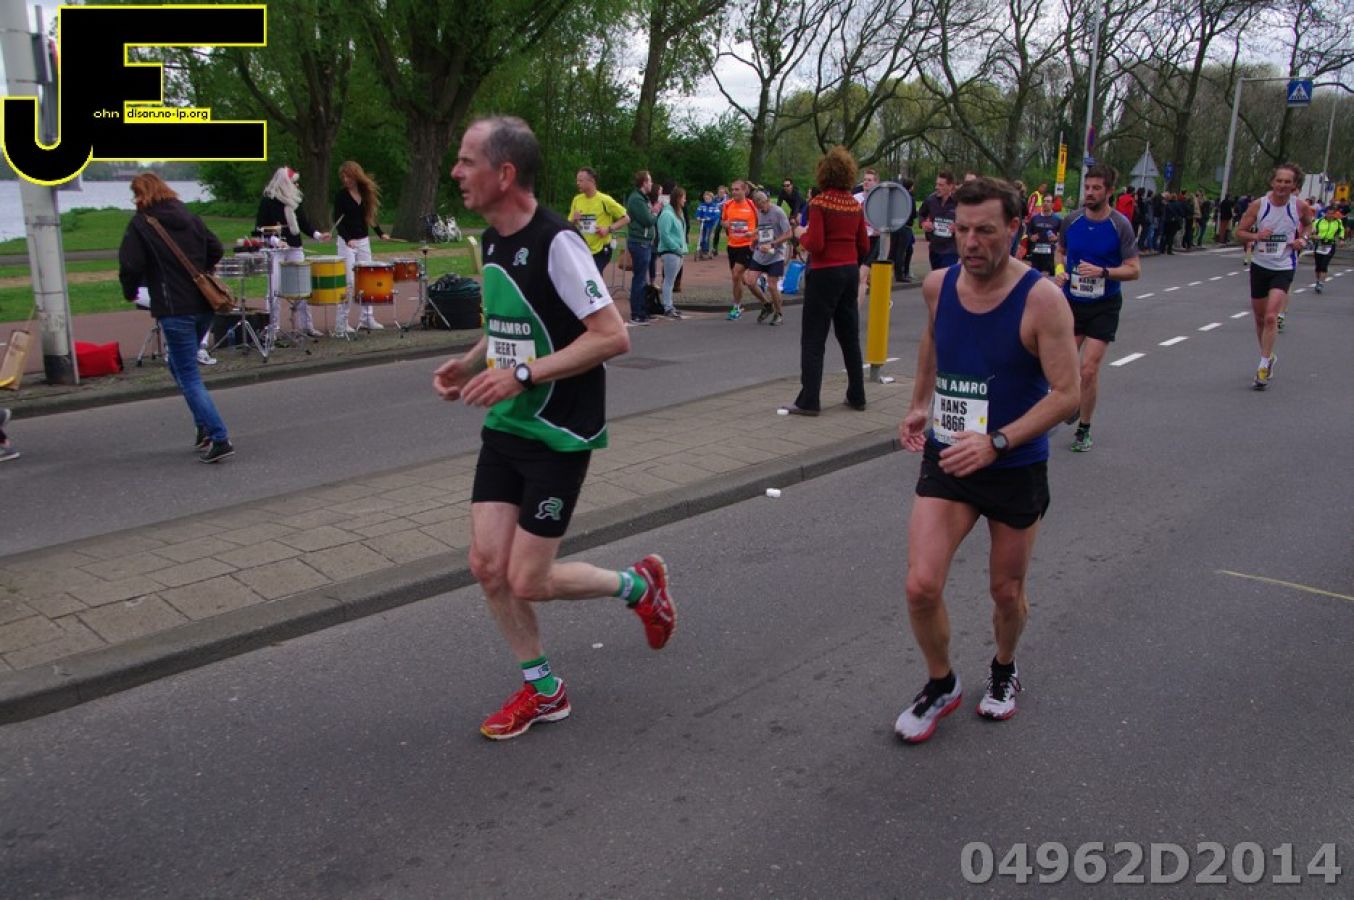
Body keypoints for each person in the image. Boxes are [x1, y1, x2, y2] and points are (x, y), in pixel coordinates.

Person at [434, 116, 675, 741]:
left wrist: (522, 375)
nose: (456, 172)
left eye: (467, 161)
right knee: (487, 565)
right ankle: (544, 691)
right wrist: (469, 364)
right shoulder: (492, 240)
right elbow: (510, 319)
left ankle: (637, 586)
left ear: (504, 173)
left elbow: (612, 336)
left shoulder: (558, 243)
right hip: (507, 427)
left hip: (559, 432)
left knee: (528, 579)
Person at [893, 177, 1079, 744]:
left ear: (1015, 229)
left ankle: (1003, 666)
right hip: (950, 454)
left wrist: (998, 441)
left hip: (1013, 466)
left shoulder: (1042, 299)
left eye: (986, 231)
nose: (970, 242)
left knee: (1006, 592)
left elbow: (1068, 395)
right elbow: (933, 342)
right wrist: (919, 404)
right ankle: (941, 683)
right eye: (962, 230)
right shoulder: (938, 285)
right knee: (921, 586)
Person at [119, 173, 234, 463]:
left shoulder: (141, 224)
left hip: (174, 306)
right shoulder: (190, 217)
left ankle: (218, 436)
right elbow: (216, 248)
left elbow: (130, 264)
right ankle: (203, 426)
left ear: (140, 195)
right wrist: (199, 269)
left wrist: (131, 290)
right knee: (178, 364)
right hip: (204, 303)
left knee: (188, 374)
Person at [1054, 163, 1141, 452]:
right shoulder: (1072, 220)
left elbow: (1134, 270)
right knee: (1063, 367)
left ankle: (1084, 429)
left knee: (1088, 369)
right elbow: (1060, 252)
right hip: (1071, 302)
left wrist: (1103, 272)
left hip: (1104, 305)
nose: (1089, 193)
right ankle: (1072, 403)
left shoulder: (1120, 225)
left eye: (1096, 188)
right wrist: (1060, 271)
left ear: (1109, 191)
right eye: (1087, 187)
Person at [781, 146, 869, 416]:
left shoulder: (820, 204)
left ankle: (809, 400)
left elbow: (816, 243)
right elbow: (864, 245)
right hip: (849, 271)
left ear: (824, 173)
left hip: (824, 273)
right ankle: (857, 395)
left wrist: (800, 233)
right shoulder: (854, 205)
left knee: (814, 338)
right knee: (849, 335)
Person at [1234, 163, 1314, 388]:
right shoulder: (1259, 205)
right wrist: (1257, 236)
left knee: (1271, 316)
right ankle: (1268, 357)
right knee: (1260, 318)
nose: (1282, 185)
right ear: (1272, 182)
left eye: (1287, 182)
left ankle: (1262, 367)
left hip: (1284, 265)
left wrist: (1302, 240)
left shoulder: (1299, 206)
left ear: (1294, 185)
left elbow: (1309, 227)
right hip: (1260, 265)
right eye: (1279, 181)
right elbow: (1239, 232)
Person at [255, 167, 329, 338]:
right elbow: (259, 229)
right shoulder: (268, 201)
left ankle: (307, 326)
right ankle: (273, 328)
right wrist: (276, 241)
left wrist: (318, 235)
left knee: (302, 288)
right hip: (275, 250)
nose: (297, 185)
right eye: (293, 182)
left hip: (294, 247)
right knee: (273, 289)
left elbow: (304, 223)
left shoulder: (295, 200)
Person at [333, 160, 392, 334]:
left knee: (368, 279)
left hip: (363, 240)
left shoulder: (365, 194)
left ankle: (367, 317)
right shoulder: (341, 196)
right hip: (346, 243)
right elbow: (337, 221)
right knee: (349, 282)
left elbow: (370, 217)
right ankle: (341, 322)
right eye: (343, 177)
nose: (346, 180)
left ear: (356, 176)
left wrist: (380, 233)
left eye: (349, 176)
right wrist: (348, 239)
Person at [569, 167, 630, 274]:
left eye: (581, 180)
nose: (577, 183)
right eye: (577, 180)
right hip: (583, 248)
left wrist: (608, 229)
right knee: (584, 278)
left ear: (592, 181)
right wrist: (574, 220)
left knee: (593, 276)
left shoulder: (604, 200)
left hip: (601, 249)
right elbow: (569, 224)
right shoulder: (577, 199)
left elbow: (626, 219)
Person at [745, 189, 793, 325]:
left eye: (762, 206)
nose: (762, 210)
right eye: (758, 208)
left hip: (775, 254)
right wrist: (754, 238)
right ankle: (767, 305)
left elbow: (789, 234)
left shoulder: (778, 212)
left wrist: (773, 244)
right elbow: (763, 228)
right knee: (750, 282)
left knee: (772, 286)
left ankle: (779, 313)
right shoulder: (760, 211)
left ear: (767, 200)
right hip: (761, 253)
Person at [624, 170, 660, 325]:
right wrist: (655, 212)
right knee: (639, 279)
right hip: (639, 242)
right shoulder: (637, 199)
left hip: (644, 242)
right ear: (644, 183)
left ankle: (643, 311)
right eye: (650, 181)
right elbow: (647, 220)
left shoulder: (641, 198)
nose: (651, 183)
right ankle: (636, 313)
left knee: (642, 279)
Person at [720, 180, 759, 319]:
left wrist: (753, 233)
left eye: (737, 189)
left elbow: (762, 223)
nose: (734, 192)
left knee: (736, 274)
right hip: (732, 245)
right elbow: (723, 221)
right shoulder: (727, 204)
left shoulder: (752, 205)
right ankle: (764, 299)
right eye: (732, 189)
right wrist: (725, 224)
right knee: (737, 278)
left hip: (747, 244)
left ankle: (736, 307)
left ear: (744, 190)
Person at [656, 185, 687, 318]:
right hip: (671, 252)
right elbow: (665, 234)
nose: (685, 200)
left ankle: (669, 305)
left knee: (671, 281)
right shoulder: (667, 214)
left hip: (677, 252)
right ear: (678, 198)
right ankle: (667, 306)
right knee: (668, 281)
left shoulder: (676, 213)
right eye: (684, 197)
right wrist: (676, 248)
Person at [919, 171, 959, 272]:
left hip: (951, 249)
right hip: (935, 248)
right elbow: (921, 214)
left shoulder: (959, 201)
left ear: (950, 186)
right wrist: (923, 223)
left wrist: (959, 226)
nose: (937, 187)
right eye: (936, 184)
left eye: (941, 185)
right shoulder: (930, 200)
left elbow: (969, 220)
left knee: (946, 276)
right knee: (936, 275)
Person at [1312, 202, 1346, 293]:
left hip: (1330, 245)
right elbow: (1312, 232)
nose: (1330, 215)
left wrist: (1341, 239)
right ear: (1325, 213)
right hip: (1319, 244)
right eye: (1328, 213)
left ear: (1334, 214)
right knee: (1318, 266)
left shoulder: (1338, 222)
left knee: (1324, 265)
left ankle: (1321, 284)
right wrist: (1314, 236)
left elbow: (1341, 231)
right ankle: (1318, 281)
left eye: (1332, 214)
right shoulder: (1318, 221)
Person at [1026, 197, 1061, 276]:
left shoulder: (1057, 219)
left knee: (1046, 276)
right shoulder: (1035, 218)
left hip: (1049, 254)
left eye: (1048, 201)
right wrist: (1031, 237)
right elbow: (1028, 232)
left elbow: (1063, 235)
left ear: (1052, 204)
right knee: (1035, 276)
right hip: (1036, 253)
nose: (1045, 203)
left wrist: (1056, 238)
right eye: (1044, 201)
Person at [695, 190, 721, 260]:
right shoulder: (702, 205)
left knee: (708, 237)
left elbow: (717, 215)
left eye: (708, 198)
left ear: (711, 198)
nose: (707, 200)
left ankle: (708, 251)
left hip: (711, 224)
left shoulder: (714, 206)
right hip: (703, 223)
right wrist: (698, 217)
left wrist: (710, 218)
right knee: (701, 237)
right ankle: (701, 249)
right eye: (705, 198)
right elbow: (698, 212)